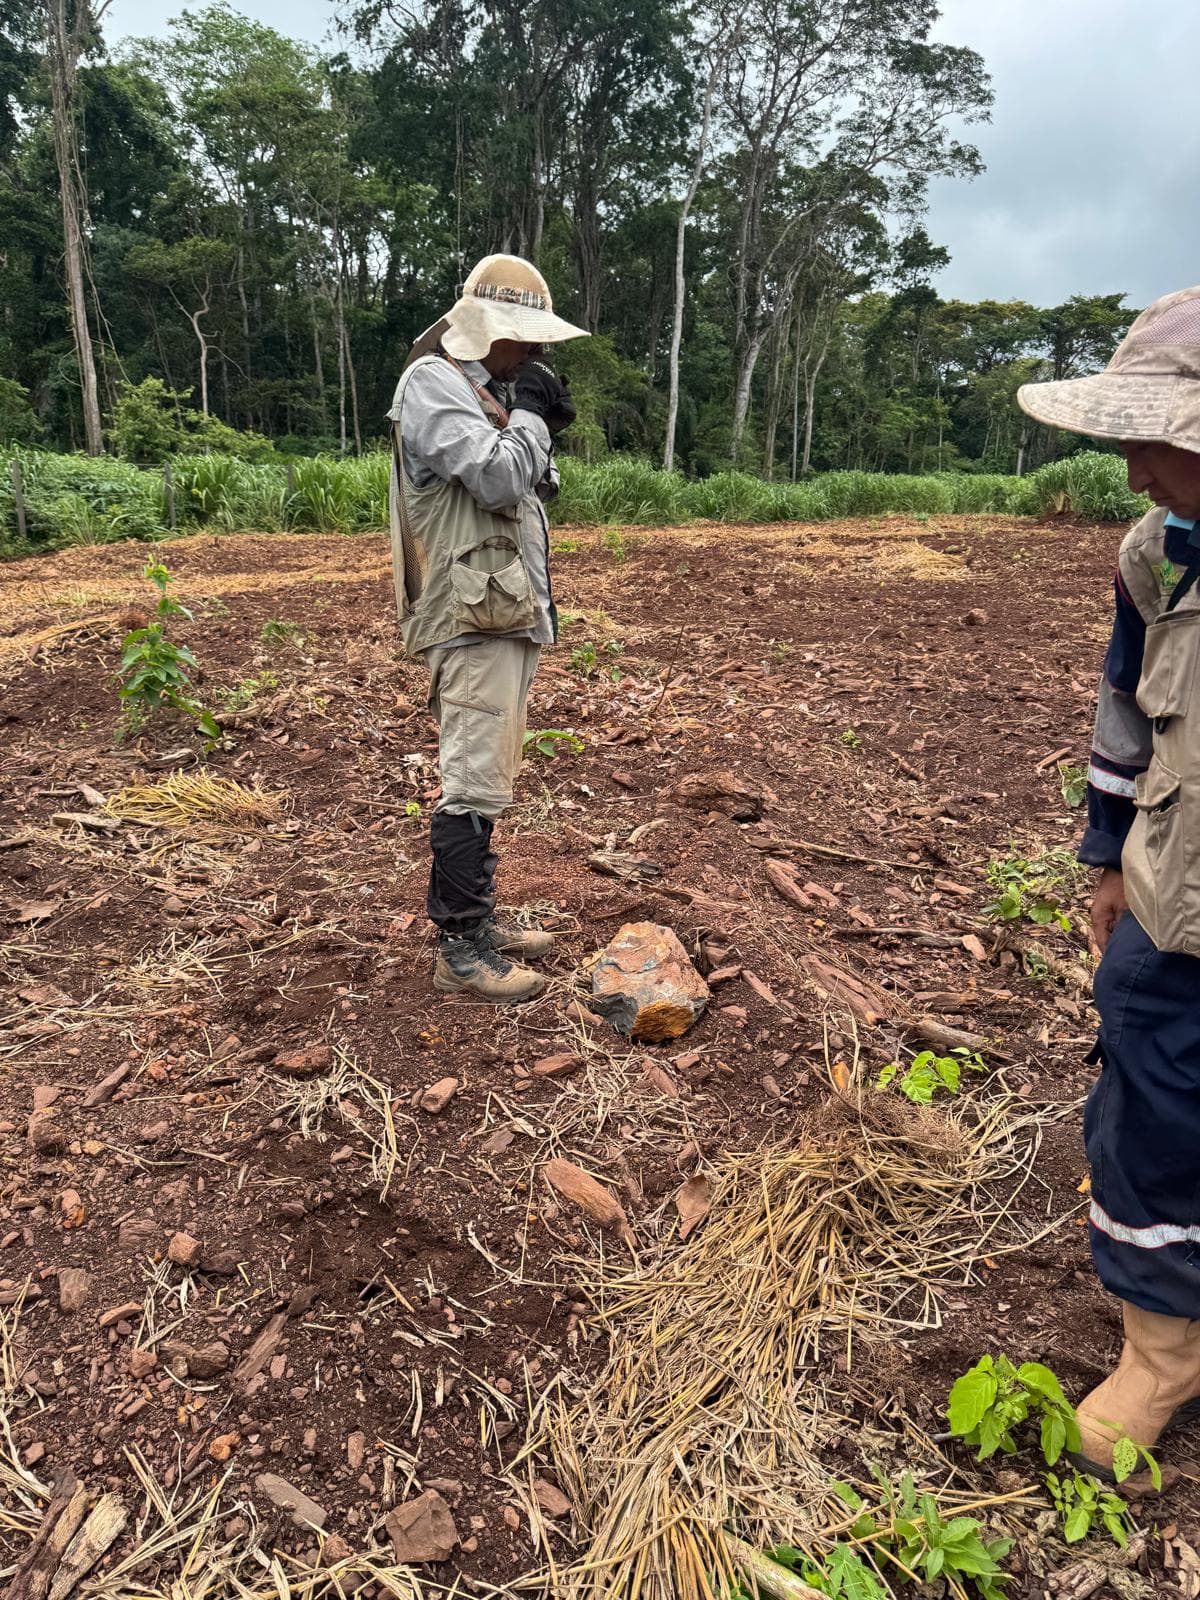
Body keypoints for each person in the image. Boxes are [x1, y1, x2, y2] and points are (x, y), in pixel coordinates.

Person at [1018, 284, 1200, 1476]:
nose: (1134, 472)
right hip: (1175, 881)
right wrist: (1099, 852)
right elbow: (1124, 707)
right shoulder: (1156, 554)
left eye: (1151, 441)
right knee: (1144, 1081)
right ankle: (1164, 1348)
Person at [387, 255, 588, 1001]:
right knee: (471, 782)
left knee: (491, 774)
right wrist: (531, 417)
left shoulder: (486, 391)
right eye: (526, 340)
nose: (537, 355)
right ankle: (460, 949)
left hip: (502, 609)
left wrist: (526, 420)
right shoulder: (433, 382)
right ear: (488, 328)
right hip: (470, 615)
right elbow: (500, 477)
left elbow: (537, 486)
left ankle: (480, 923)